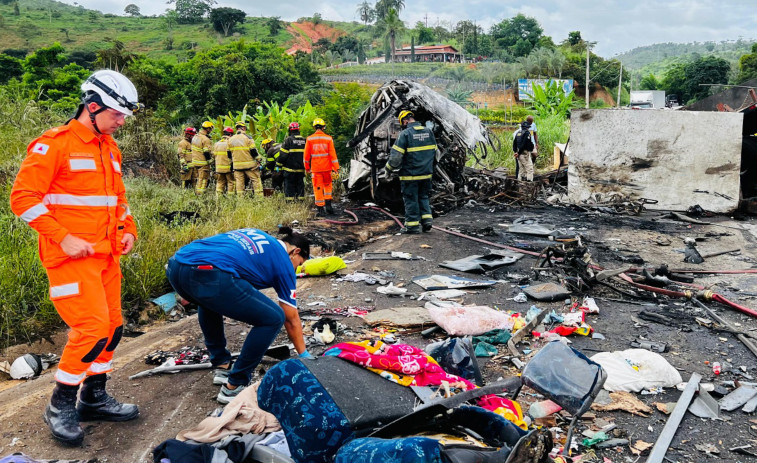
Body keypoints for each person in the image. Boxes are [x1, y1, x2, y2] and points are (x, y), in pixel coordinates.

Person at [10, 70, 141, 446]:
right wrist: (63, 237)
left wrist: (127, 228)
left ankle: (94, 397)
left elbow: (117, 199)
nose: (121, 121)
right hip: (70, 259)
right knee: (91, 330)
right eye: (117, 114)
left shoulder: (109, 147)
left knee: (113, 327)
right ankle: (60, 404)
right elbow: (22, 199)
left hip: (106, 256)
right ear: (93, 106)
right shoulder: (54, 144)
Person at [166, 227, 312, 404]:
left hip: (177, 266)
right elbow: (291, 318)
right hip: (210, 273)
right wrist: (304, 355)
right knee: (273, 318)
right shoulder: (283, 262)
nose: (296, 268)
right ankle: (235, 385)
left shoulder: (257, 233)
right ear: (295, 251)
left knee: (209, 301)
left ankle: (222, 366)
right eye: (299, 263)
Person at [385, 110, 437, 234]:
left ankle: (412, 226)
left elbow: (396, 158)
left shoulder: (405, 134)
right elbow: (435, 153)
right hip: (426, 174)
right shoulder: (428, 132)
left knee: (411, 199)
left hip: (410, 176)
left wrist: (388, 169)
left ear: (405, 121)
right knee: (423, 197)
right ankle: (427, 222)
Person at [304, 118, 339, 216]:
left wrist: (307, 168)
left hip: (316, 169)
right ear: (323, 127)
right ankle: (329, 206)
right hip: (327, 168)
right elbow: (333, 155)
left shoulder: (310, 139)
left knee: (318, 188)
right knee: (328, 186)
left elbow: (306, 157)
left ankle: (320, 210)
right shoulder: (328, 138)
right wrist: (336, 168)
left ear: (314, 127)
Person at [229, 121, 263, 197]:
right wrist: (259, 160)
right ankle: (259, 199)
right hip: (249, 166)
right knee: (256, 180)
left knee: (239, 183)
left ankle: (240, 199)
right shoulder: (248, 138)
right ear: (244, 128)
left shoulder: (231, 139)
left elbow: (229, 154)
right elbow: (253, 151)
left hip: (237, 166)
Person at [278, 122, 307, 201]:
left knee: (289, 186)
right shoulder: (304, 140)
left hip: (289, 170)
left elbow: (283, 155)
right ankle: (301, 201)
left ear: (290, 130)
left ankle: (290, 202)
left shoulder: (288, 140)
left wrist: (278, 165)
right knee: (300, 185)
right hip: (301, 170)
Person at [192, 121, 214, 194]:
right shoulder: (205, 139)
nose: (211, 131)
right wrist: (210, 161)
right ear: (207, 129)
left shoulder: (195, 136)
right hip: (203, 163)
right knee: (203, 179)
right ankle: (200, 194)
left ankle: (195, 192)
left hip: (195, 162)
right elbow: (206, 152)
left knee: (197, 179)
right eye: (210, 129)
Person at [213, 127, 235, 195]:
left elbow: (214, 156)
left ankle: (218, 198)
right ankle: (231, 198)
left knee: (220, 182)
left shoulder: (217, 144)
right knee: (231, 182)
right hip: (228, 168)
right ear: (230, 135)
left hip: (219, 168)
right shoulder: (230, 143)